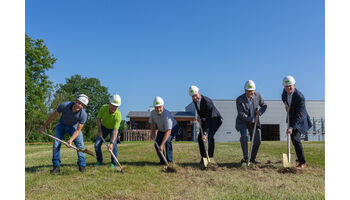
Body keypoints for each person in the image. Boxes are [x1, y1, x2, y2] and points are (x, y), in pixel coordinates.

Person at [38, 94, 89, 174]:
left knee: (80, 146)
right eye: (79, 103)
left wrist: (70, 140)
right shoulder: (64, 105)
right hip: (61, 125)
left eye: (82, 105)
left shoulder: (83, 115)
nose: (79, 106)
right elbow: (53, 116)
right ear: (75, 101)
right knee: (56, 145)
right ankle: (56, 167)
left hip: (74, 127)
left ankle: (82, 166)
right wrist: (43, 126)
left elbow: (78, 130)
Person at [282, 75, 312, 169]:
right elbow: (283, 97)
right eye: (286, 86)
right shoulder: (284, 92)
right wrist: (286, 104)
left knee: (295, 138)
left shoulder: (300, 97)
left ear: (294, 85)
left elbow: (299, 115)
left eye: (290, 86)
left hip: (300, 120)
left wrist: (291, 127)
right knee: (293, 140)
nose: (288, 88)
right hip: (291, 118)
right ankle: (299, 158)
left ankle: (303, 163)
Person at [235, 80, 267, 165]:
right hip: (242, 122)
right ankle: (246, 158)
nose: (250, 93)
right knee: (244, 137)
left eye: (252, 91)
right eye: (249, 91)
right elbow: (241, 114)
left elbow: (264, 105)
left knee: (257, 141)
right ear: (245, 90)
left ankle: (252, 158)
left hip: (254, 122)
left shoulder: (258, 96)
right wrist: (252, 119)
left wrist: (260, 112)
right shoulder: (239, 99)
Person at [189, 85, 223, 164]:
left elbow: (209, 119)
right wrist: (199, 117)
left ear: (199, 93)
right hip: (205, 119)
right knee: (200, 139)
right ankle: (204, 157)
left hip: (214, 119)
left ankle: (210, 157)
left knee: (210, 137)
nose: (194, 98)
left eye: (196, 96)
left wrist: (205, 133)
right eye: (193, 96)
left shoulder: (207, 102)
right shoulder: (195, 101)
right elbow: (201, 111)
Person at [149, 96, 180, 165]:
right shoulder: (153, 113)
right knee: (156, 144)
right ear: (154, 107)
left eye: (160, 107)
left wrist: (162, 145)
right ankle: (162, 161)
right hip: (161, 129)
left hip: (172, 128)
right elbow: (152, 123)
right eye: (156, 107)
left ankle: (169, 161)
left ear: (163, 106)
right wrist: (152, 133)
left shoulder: (167, 115)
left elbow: (168, 131)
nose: (158, 109)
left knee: (167, 141)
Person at [94, 94, 122, 169]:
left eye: (116, 106)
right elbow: (99, 119)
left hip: (114, 129)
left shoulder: (118, 115)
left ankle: (113, 163)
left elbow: (115, 130)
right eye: (112, 105)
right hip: (104, 127)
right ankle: (99, 161)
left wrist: (112, 143)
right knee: (97, 144)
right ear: (109, 103)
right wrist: (99, 131)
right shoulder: (103, 108)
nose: (114, 107)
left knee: (114, 145)